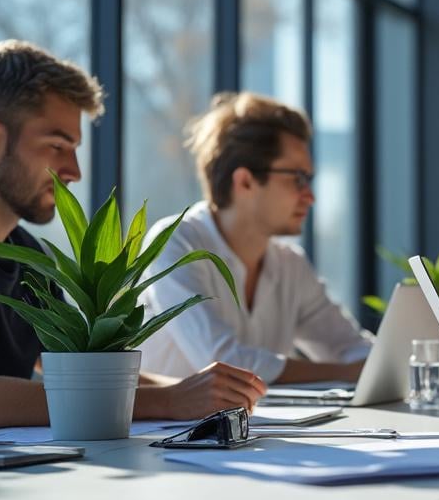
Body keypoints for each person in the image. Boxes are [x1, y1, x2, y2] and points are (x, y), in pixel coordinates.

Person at [0, 40, 266, 429]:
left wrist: (201, 391)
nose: (74, 171)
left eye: (75, 148)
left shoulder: (29, 257)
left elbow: (85, 372)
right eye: (57, 145)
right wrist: (166, 400)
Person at [139, 92, 373, 386]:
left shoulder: (290, 264)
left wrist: (393, 363)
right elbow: (224, 363)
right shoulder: (176, 241)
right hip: (169, 432)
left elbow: (348, 347)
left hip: (255, 431)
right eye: (297, 178)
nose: (310, 197)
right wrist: (348, 374)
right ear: (245, 181)